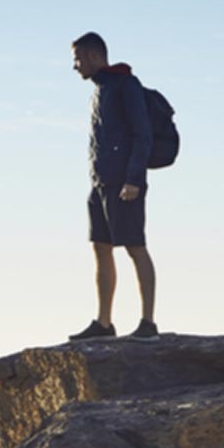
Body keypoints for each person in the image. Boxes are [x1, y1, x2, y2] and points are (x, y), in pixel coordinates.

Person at [68, 31, 159, 341]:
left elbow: (141, 134)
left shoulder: (125, 85)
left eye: (78, 59)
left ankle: (148, 323)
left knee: (135, 247)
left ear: (94, 56)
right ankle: (104, 323)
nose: (76, 66)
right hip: (101, 183)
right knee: (101, 248)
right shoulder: (100, 89)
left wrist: (134, 178)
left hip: (125, 183)